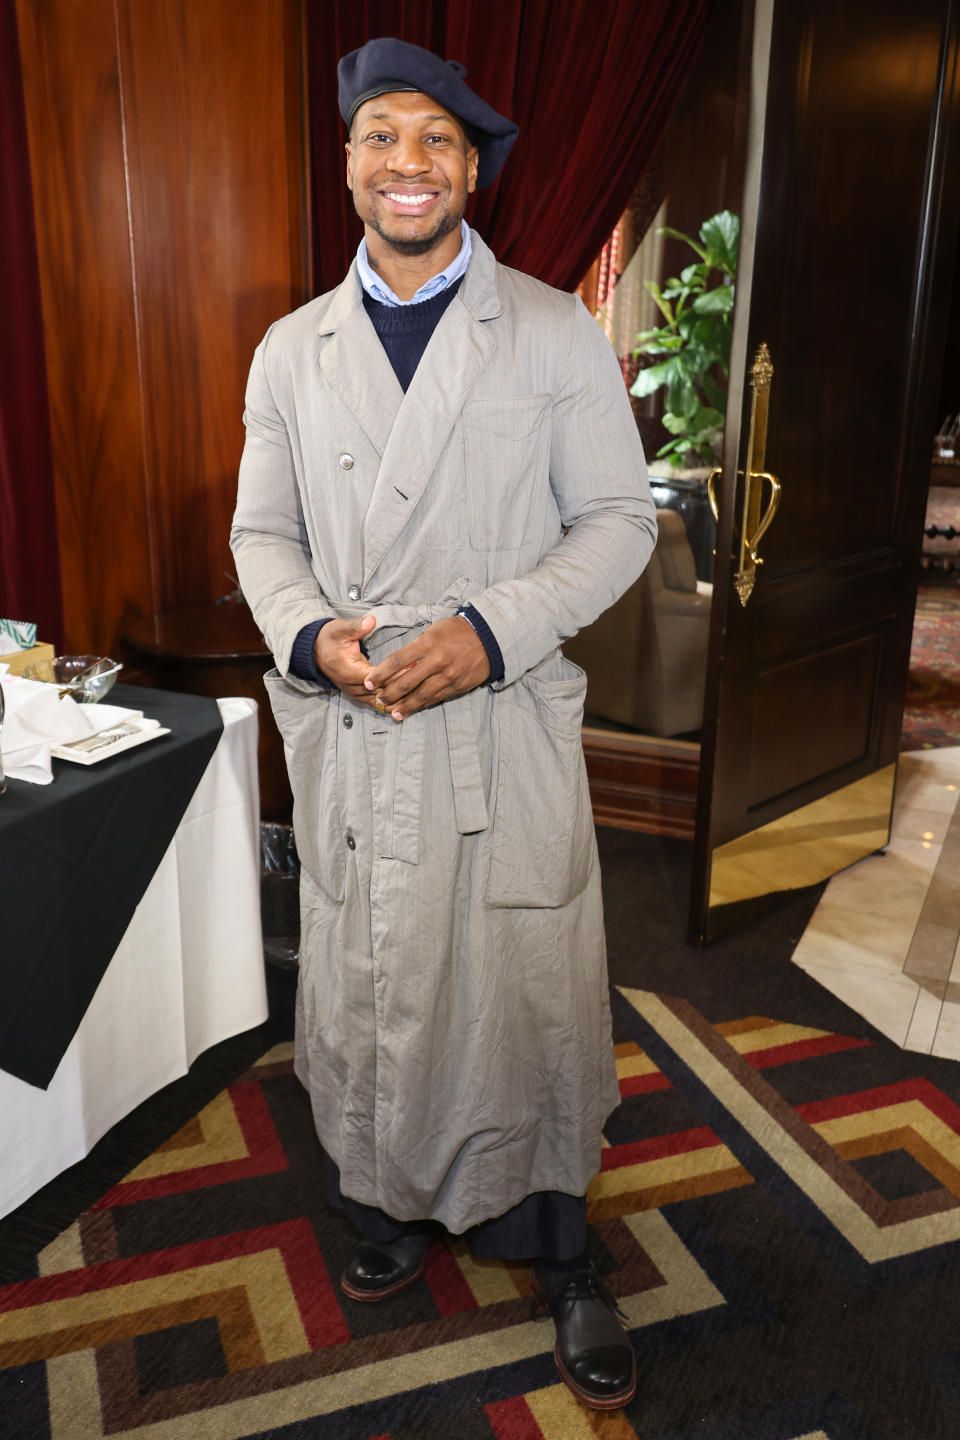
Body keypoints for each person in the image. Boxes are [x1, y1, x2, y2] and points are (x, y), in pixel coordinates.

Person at [230, 36, 656, 1411]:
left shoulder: (550, 331)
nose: (407, 164)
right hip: (358, 731)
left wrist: (493, 631)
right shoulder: (292, 351)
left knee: (519, 983)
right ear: (348, 164)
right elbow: (262, 532)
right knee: (369, 978)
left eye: (437, 141)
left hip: (501, 728)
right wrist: (307, 634)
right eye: (381, 137)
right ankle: (391, 1202)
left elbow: (619, 523)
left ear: (473, 170)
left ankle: (556, 1242)